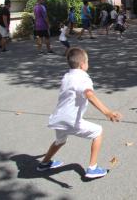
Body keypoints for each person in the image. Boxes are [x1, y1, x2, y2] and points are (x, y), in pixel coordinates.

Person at [37, 47, 122, 178]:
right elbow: (89, 94)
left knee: (60, 141)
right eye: (87, 61)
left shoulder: (67, 76)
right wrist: (107, 112)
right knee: (98, 132)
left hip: (58, 118)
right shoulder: (83, 78)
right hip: (71, 120)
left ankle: (44, 163)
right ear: (83, 65)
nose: (88, 64)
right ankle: (92, 168)